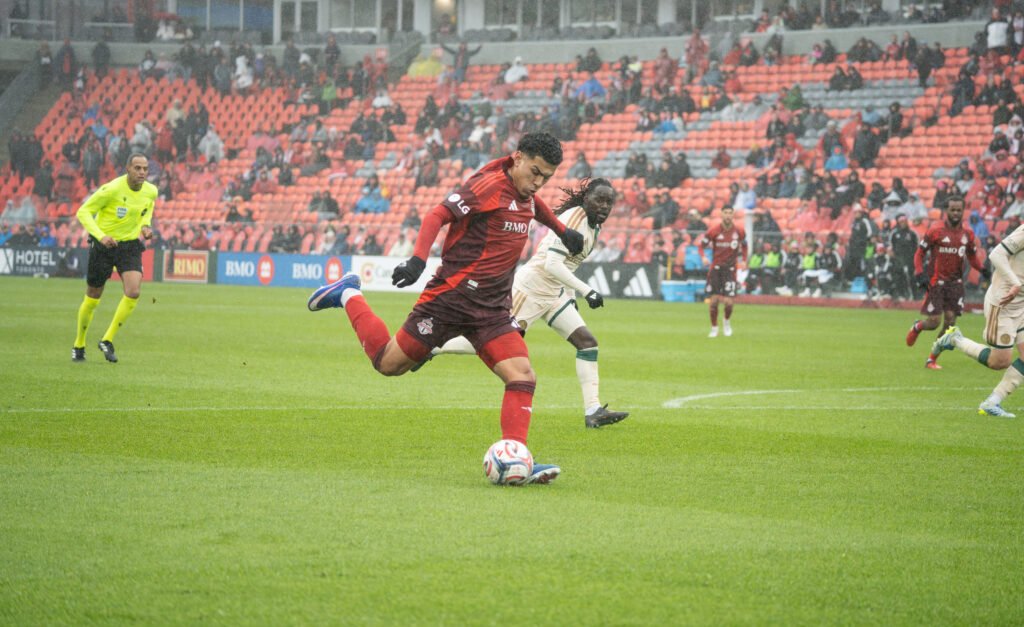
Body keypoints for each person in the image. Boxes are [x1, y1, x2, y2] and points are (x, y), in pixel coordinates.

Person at [306, 132, 584, 485]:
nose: (539, 182)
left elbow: (532, 206)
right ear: (517, 158)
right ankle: (348, 294)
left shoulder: (523, 188)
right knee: (388, 364)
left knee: (523, 376)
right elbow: (436, 214)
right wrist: (418, 260)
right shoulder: (486, 186)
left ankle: (516, 459)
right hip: (450, 299)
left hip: (492, 310)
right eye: (535, 172)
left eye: (547, 176)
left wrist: (561, 230)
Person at [426, 178, 628, 429]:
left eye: (609, 202)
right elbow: (551, 264)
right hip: (530, 290)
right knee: (496, 340)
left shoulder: (593, 225)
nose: (604, 206)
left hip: (554, 294)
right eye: (600, 199)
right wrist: (587, 292)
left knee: (587, 344)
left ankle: (593, 411)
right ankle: (433, 346)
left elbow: (568, 265)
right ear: (586, 198)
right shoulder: (575, 219)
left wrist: (571, 298)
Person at [932, 220, 1024, 416]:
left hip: (1022, 304)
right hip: (1004, 302)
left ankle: (992, 402)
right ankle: (956, 339)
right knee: (999, 362)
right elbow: (996, 254)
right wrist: (1015, 282)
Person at [71, 154, 157, 363]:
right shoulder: (111, 190)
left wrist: (145, 225)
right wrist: (101, 237)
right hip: (103, 246)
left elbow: (147, 209)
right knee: (92, 297)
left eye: (145, 168)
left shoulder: (151, 191)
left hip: (129, 246)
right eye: (137, 168)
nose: (142, 173)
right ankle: (79, 344)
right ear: (127, 168)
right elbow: (83, 212)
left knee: (134, 291)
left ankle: (107, 340)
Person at [905, 196, 988, 369]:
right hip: (937, 282)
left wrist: (983, 270)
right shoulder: (935, 231)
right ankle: (918, 326)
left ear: (963, 211)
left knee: (950, 323)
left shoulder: (967, 234)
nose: (956, 213)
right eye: (953, 210)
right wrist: (920, 273)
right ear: (946, 211)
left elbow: (972, 257)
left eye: (959, 210)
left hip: (956, 284)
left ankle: (931, 359)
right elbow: (919, 253)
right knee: (934, 322)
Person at [699, 206, 747, 338]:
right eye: (725, 213)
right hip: (715, 269)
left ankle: (726, 322)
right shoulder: (714, 231)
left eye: (730, 213)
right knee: (714, 301)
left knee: (729, 302)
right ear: (721, 214)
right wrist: (703, 257)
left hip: (730, 270)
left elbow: (744, 245)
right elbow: (701, 246)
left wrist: (744, 260)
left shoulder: (739, 231)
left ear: (733, 215)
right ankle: (714, 327)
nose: (727, 215)